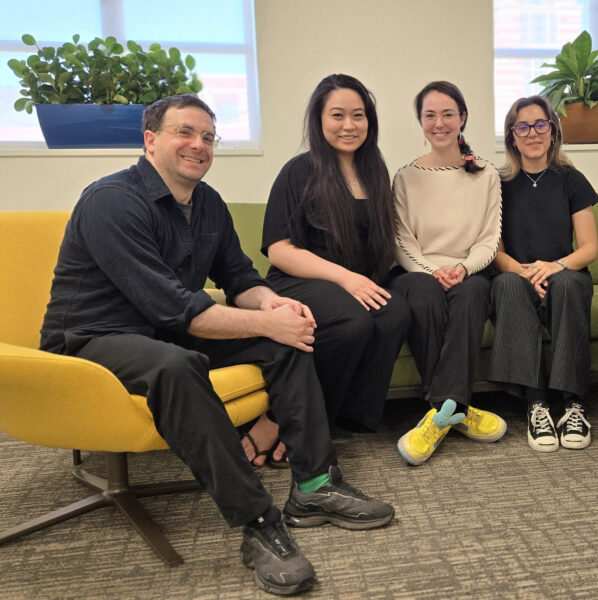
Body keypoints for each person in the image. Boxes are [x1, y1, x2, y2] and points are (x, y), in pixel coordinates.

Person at [39, 94, 395, 596]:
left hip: (164, 331)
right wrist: (265, 323)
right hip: (90, 341)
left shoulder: (206, 203)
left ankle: (315, 485)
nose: (198, 145)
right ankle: (258, 524)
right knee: (177, 364)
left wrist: (274, 308)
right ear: (150, 140)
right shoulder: (111, 201)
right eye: (185, 132)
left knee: (288, 340)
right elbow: (175, 308)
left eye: (208, 137)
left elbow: (238, 275)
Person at [247, 74, 410, 467]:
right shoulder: (299, 171)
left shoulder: (374, 172)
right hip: (299, 281)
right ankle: (285, 419)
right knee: (353, 322)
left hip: (352, 285)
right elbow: (280, 249)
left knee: (395, 314)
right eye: (337, 115)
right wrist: (345, 278)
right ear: (319, 120)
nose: (349, 125)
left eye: (358, 115)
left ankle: (339, 418)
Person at [389, 80, 507, 465]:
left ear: (462, 118)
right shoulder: (405, 176)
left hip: (468, 270)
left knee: (473, 295)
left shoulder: (486, 174)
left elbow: (489, 239)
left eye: (447, 114)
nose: (438, 123)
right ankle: (454, 407)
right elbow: (402, 242)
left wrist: (461, 267)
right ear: (420, 121)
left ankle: (438, 414)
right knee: (422, 292)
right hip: (416, 270)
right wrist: (431, 270)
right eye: (429, 115)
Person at [487, 96, 598, 452]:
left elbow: (589, 248)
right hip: (518, 275)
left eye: (540, 125)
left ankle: (572, 404)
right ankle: (536, 403)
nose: (532, 133)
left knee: (568, 283)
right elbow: (496, 251)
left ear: (553, 132)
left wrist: (556, 266)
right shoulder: (497, 185)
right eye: (522, 126)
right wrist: (524, 272)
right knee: (505, 283)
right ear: (512, 136)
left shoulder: (571, 180)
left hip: (564, 272)